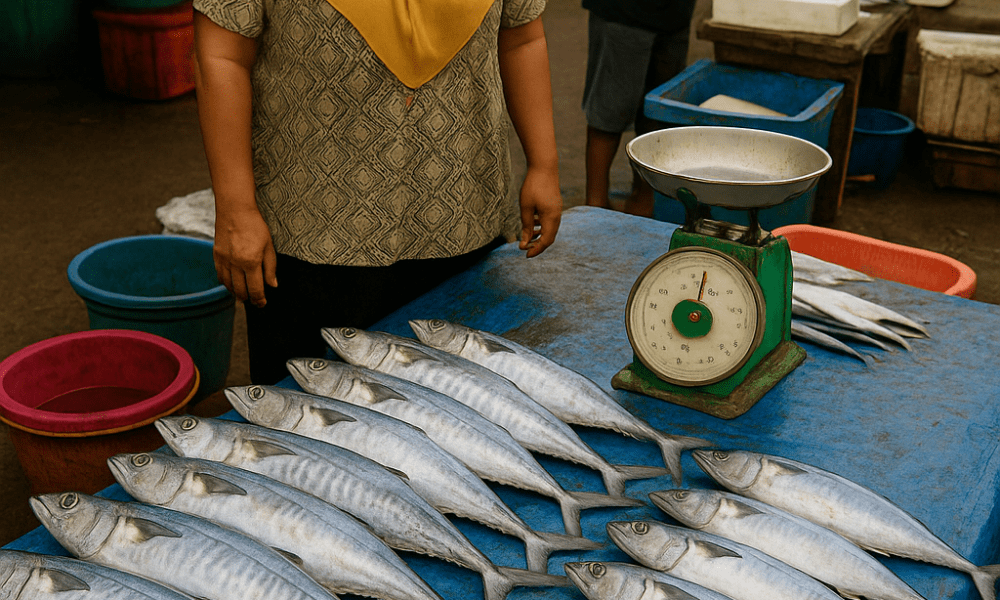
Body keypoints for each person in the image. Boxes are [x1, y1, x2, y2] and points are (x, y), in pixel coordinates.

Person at [193, 0, 563, 384]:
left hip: (462, 218)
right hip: (310, 230)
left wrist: (543, 164)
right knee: (310, 415)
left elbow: (521, 37)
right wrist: (236, 208)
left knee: (459, 403)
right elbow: (221, 56)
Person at [581, 0, 696, 217]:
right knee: (609, 110)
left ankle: (644, 198)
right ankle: (595, 206)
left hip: (675, 15)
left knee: (659, 113)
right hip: (622, 13)